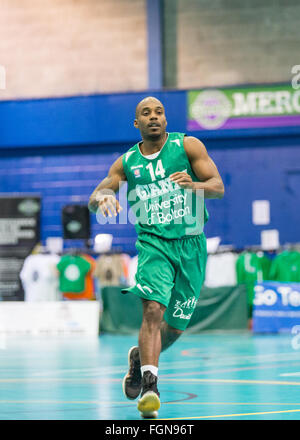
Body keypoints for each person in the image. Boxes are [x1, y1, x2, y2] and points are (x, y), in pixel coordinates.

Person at [88, 96, 224, 418]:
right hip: (153, 244)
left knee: (174, 328)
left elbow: (218, 186)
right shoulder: (127, 163)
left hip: (191, 245)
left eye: (159, 112)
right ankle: (150, 386)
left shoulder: (188, 146)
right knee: (152, 310)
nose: (153, 117)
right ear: (137, 123)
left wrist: (195, 185)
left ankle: (139, 358)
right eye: (146, 114)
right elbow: (98, 194)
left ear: (166, 119)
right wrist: (103, 198)